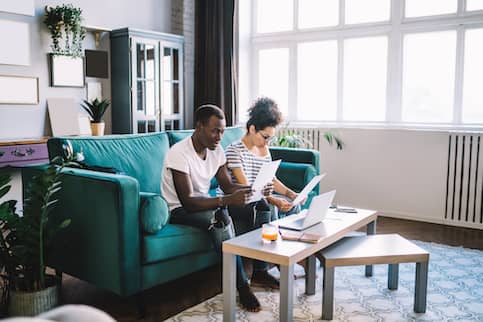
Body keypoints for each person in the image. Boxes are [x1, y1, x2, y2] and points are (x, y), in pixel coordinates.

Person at [161, 104, 262, 312]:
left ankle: (262, 269)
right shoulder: (179, 153)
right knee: (220, 218)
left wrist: (253, 188)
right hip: (179, 210)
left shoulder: (216, 151)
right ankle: (242, 287)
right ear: (199, 127)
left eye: (222, 131)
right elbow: (188, 201)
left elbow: (227, 186)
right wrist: (225, 201)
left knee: (260, 204)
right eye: (215, 130)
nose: (219, 136)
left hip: (205, 203)